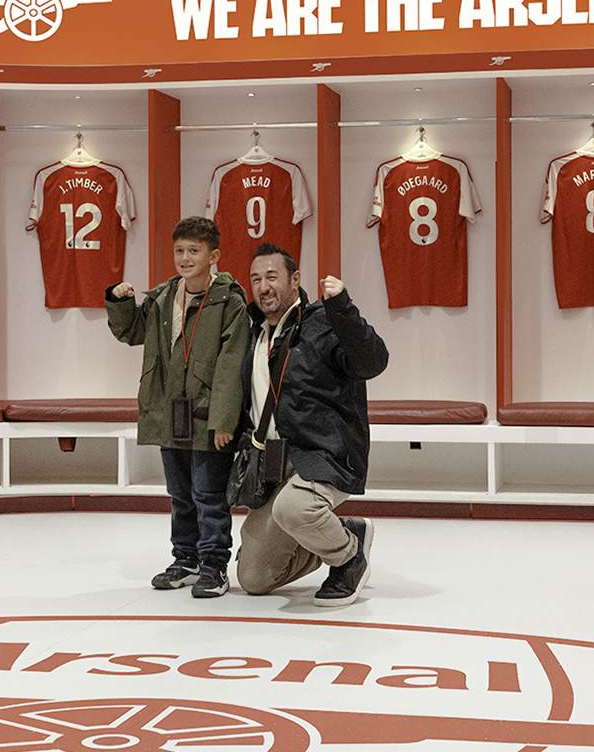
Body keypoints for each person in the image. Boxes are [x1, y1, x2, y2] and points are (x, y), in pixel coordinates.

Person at [235, 243, 389, 608]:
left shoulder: (323, 321)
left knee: (293, 509)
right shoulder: (254, 331)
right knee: (254, 579)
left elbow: (373, 361)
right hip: (275, 459)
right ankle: (341, 532)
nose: (263, 286)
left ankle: (349, 558)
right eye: (256, 279)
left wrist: (343, 308)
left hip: (323, 452)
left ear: (295, 279)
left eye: (272, 276)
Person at [107, 216, 249, 597]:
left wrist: (223, 421)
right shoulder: (163, 297)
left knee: (208, 494)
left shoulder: (229, 301)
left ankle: (215, 564)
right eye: (179, 251)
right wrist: (121, 302)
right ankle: (185, 558)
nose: (185, 258)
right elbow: (131, 332)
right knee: (180, 494)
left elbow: (231, 365)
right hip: (170, 412)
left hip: (206, 417)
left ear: (213, 255)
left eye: (194, 251)